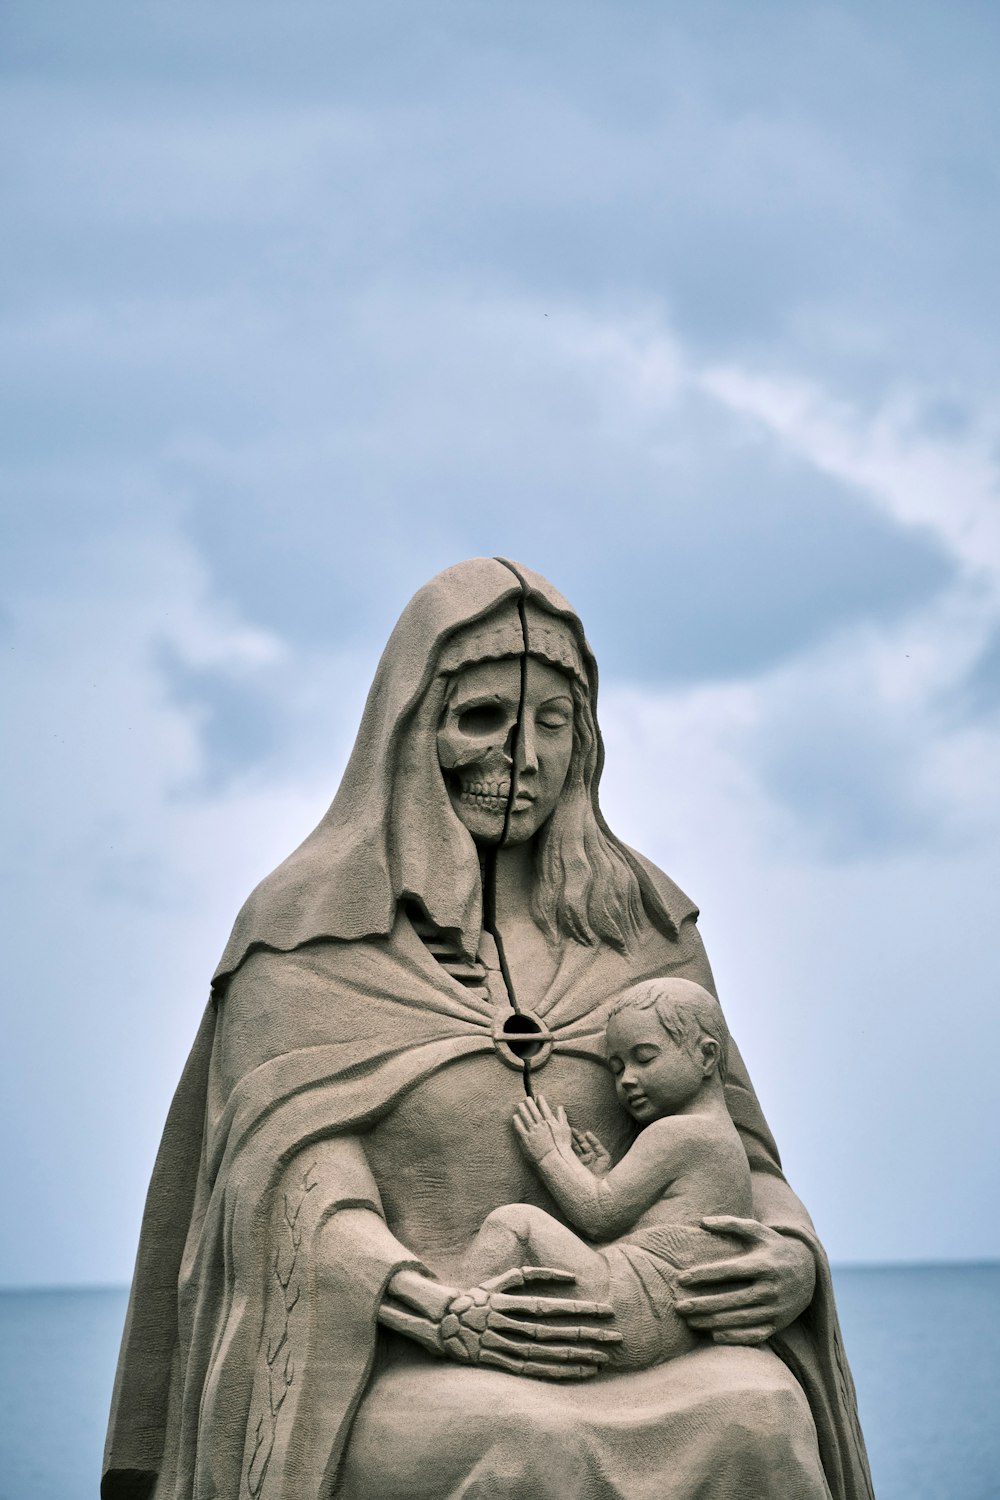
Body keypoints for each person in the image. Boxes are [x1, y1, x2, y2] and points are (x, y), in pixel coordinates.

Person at [103, 557, 873, 1500]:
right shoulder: (306, 934)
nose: (525, 760)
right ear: (408, 728)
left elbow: (739, 1160)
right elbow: (291, 1199)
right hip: (422, 1355)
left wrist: (790, 1256)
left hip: (644, 1338)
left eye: (554, 724)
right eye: (483, 721)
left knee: (763, 1410)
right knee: (520, 1437)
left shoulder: (643, 929)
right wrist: (440, 1312)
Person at [458, 976, 755, 1370]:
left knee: (514, 1222)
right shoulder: (719, 1136)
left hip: (638, 1310)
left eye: (644, 1058)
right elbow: (644, 1220)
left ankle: (455, 1312)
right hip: (671, 1319)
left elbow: (599, 1216)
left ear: (706, 1056)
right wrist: (601, 1175)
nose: (627, 1079)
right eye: (616, 1068)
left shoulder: (679, 1132)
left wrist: (551, 1152)